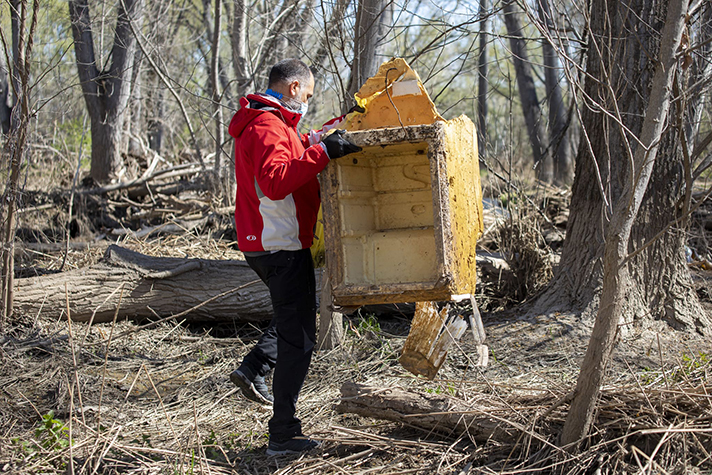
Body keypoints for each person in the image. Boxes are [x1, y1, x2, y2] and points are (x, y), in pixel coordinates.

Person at [227, 58, 362, 456]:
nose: (307, 101)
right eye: (307, 93)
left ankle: (254, 370)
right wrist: (323, 154)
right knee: (299, 341)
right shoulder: (267, 126)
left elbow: (301, 147)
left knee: (293, 325)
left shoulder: (276, 123)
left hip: (274, 242)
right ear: (292, 88)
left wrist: (328, 138)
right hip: (279, 245)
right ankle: (283, 434)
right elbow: (274, 181)